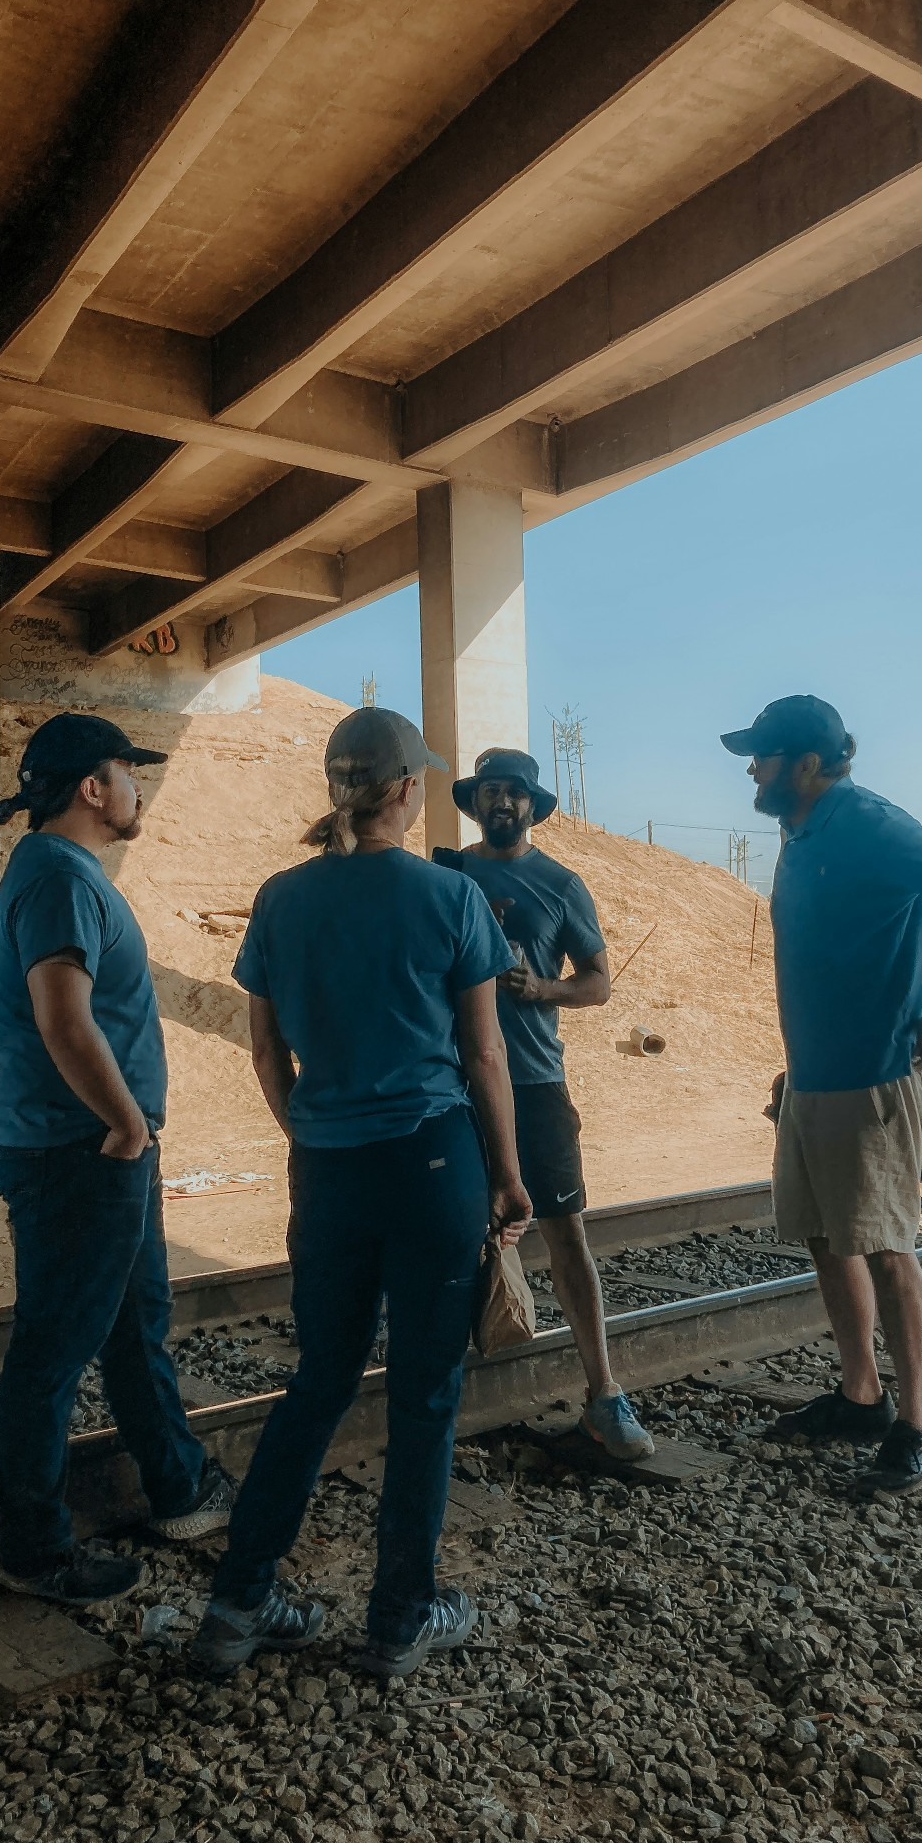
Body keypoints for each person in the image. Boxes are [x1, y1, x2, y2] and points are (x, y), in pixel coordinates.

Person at [190, 708, 532, 1682]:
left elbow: (265, 1047)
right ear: (404, 789)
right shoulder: (448, 896)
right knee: (425, 1394)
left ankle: (238, 1602)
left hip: (328, 1170)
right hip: (432, 1164)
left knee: (320, 1381)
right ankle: (397, 1618)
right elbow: (484, 1052)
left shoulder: (279, 897)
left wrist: (308, 1129)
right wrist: (507, 1175)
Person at [0, 714, 234, 1605]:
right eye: (128, 771)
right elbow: (62, 1016)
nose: (138, 787)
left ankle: (179, 1490)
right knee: (53, 1351)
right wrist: (127, 1125)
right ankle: (36, 1551)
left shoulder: (63, 873)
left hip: (92, 1149)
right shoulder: (57, 877)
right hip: (78, 1151)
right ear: (93, 788)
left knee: (133, 1327)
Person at [721, 696, 922, 1495]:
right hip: (815, 1077)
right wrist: (795, 1064)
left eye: (763, 756)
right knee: (825, 1235)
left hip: (878, 1076)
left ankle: (919, 1425)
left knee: (883, 1245)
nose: (751, 768)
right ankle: (860, 1395)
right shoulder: (798, 832)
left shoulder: (868, 821)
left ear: (807, 765)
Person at [439, 748, 654, 1461]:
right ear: (475, 803)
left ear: (533, 804)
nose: (502, 802)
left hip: (533, 1082)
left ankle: (605, 1395)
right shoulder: (447, 873)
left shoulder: (562, 884)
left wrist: (544, 991)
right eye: (490, 791)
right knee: (443, 1240)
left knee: (566, 1238)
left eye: (514, 793)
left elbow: (598, 984)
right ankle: (440, 1397)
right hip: (451, 1083)